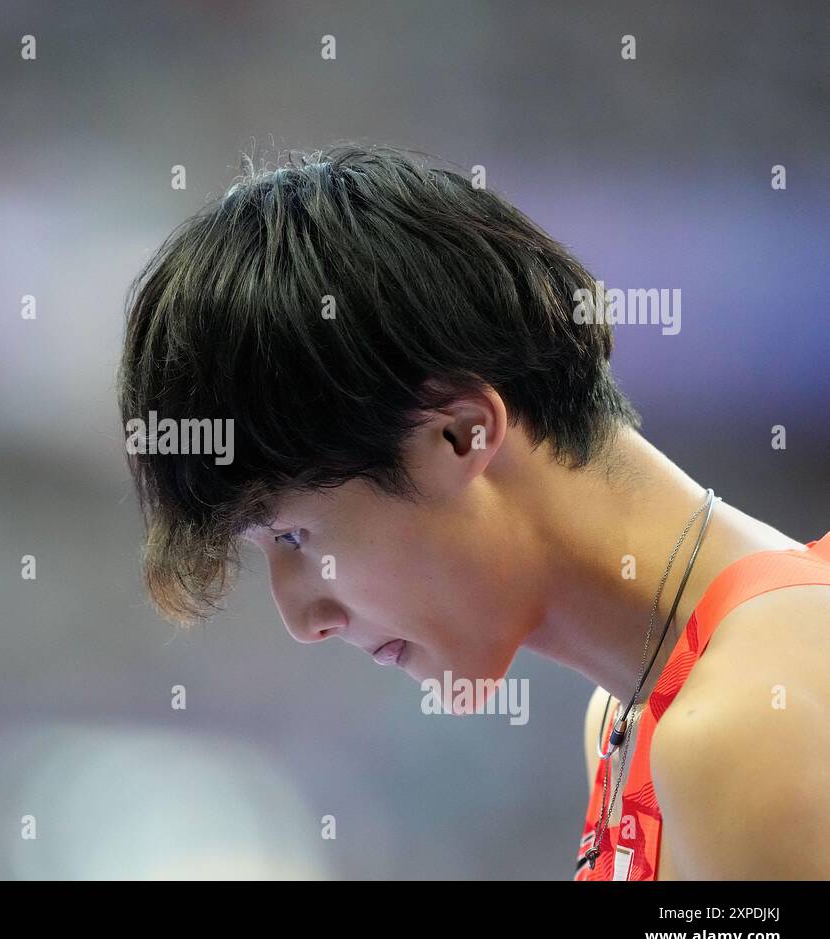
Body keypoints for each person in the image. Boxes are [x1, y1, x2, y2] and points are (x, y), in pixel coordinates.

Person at [116, 143, 830, 880]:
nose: (303, 619)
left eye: (294, 534)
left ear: (461, 435)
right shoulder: (630, 721)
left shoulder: (746, 721)